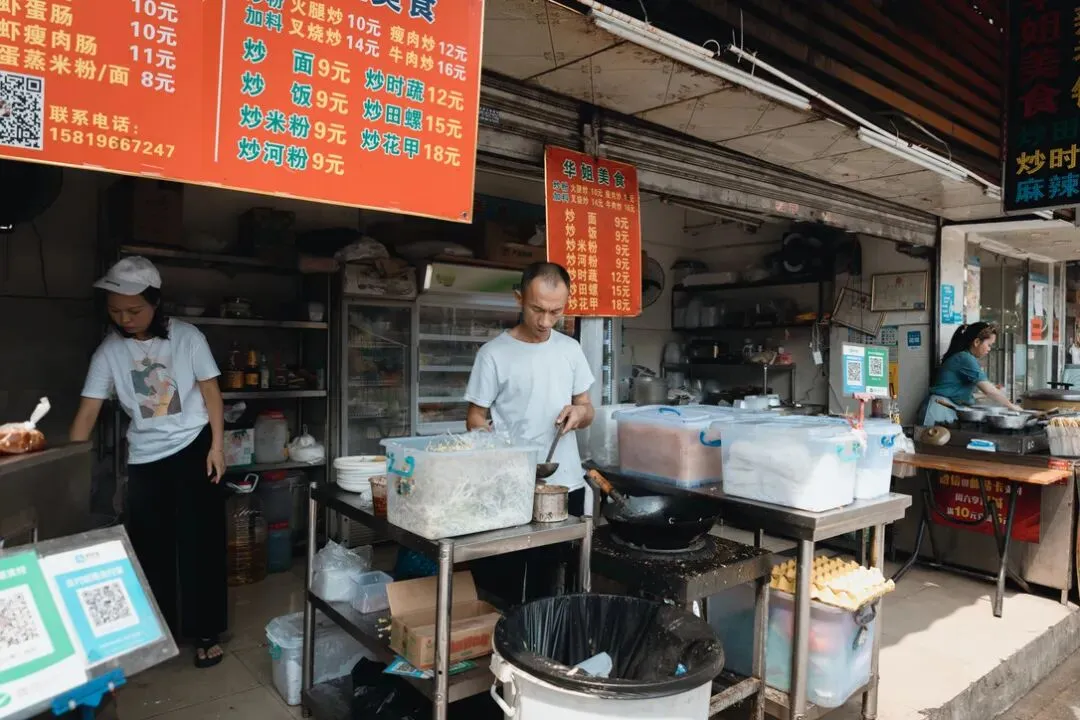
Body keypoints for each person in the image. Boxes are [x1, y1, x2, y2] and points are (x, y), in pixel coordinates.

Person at [70, 257, 228, 669]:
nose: (124, 319)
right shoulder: (109, 351)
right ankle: (160, 630)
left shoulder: (186, 337)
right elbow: (88, 410)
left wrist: (217, 446)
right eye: (116, 311)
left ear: (156, 303)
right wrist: (67, 467)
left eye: (134, 310)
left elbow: (211, 392)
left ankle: (206, 630)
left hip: (194, 447)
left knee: (200, 542)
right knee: (149, 545)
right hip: (145, 456)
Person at [464, 261, 595, 605]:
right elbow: (475, 417)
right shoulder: (493, 354)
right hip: (509, 485)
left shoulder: (570, 350)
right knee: (502, 586)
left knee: (553, 589)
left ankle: (546, 639)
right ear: (519, 299)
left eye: (556, 312)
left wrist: (579, 413)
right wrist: (491, 440)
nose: (546, 321)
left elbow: (587, 408)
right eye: (538, 309)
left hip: (564, 485)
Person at [919, 321, 1022, 426]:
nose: (989, 349)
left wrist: (988, 392)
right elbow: (989, 390)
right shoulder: (965, 358)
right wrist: (1012, 406)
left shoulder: (964, 357)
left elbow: (960, 392)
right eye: (989, 345)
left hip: (945, 408)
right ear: (976, 342)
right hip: (938, 410)